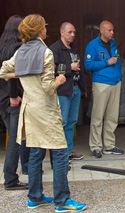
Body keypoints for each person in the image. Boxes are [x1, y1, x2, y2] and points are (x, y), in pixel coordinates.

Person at [0, 14, 86, 211]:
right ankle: (62, 201)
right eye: (45, 27)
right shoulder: (46, 53)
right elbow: (48, 88)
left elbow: (3, 71)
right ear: (40, 30)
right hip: (46, 110)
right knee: (61, 153)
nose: (47, 29)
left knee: (36, 152)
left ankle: (35, 196)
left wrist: (23, 74)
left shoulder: (21, 51)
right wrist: (59, 80)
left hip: (29, 110)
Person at [85, 20, 124, 158]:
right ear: (101, 31)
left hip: (115, 83)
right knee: (98, 117)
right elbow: (88, 65)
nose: (112, 32)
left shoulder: (113, 44)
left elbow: (117, 61)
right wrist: (107, 62)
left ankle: (109, 146)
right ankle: (95, 146)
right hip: (101, 83)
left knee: (112, 117)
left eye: (113, 30)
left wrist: (119, 77)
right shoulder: (93, 45)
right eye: (109, 30)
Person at [0, 15, 30, 190]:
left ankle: (11, 176)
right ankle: (10, 179)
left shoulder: (2, 45)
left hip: (1, 100)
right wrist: (14, 95)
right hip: (12, 100)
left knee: (13, 139)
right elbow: (11, 73)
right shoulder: (17, 48)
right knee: (15, 141)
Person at [49, 22, 86, 161]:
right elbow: (51, 69)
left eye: (74, 32)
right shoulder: (54, 49)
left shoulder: (74, 48)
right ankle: (59, 155)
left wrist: (83, 88)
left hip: (75, 88)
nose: (72, 35)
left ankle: (68, 152)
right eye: (70, 32)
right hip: (63, 90)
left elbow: (80, 69)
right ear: (62, 32)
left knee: (71, 122)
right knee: (62, 123)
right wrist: (69, 67)